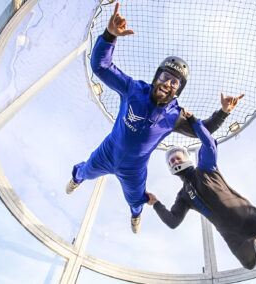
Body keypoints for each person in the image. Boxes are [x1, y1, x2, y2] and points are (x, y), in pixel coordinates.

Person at [66, 3, 240, 234]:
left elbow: (205, 129)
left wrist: (224, 112)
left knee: (136, 198)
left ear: (178, 91)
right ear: (156, 77)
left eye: (174, 82)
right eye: (165, 76)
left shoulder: (175, 116)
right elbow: (101, 66)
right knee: (85, 170)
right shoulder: (133, 89)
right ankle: (76, 179)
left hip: (134, 168)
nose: (167, 83)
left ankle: (136, 214)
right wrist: (110, 36)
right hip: (108, 152)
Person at [146, 110, 256, 270]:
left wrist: (193, 121)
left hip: (252, 219)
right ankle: (255, 239)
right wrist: (155, 204)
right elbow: (172, 222)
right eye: (171, 161)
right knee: (251, 264)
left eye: (177, 158)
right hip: (232, 235)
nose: (174, 162)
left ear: (186, 158)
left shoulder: (205, 169)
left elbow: (209, 143)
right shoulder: (183, 196)